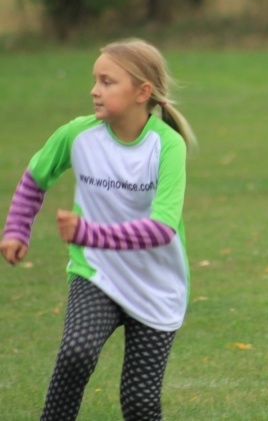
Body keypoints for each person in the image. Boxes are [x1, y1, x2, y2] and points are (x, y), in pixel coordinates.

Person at [1, 38, 197, 420]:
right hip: (96, 273)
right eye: (95, 80)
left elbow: (161, 229)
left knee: (140, 403)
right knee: (76, 353)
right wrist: (16, 229)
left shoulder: (167, 146)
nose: (94, 90)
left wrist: (88, 233)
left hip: (156, 284)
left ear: (143, 92)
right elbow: (35, 178)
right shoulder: (78, 134)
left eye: (108, 82)